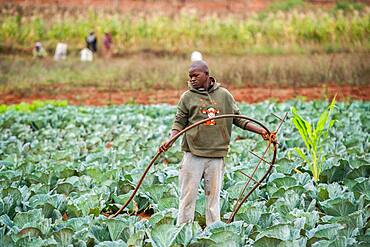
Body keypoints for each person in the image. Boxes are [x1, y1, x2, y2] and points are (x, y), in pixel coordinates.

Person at [159, 60, 269, 226]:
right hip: (193, 154)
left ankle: (214, 232)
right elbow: (179, 123)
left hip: (216, 154)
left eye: (196, 75)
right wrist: (170, 139)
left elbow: (239, 120)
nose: (192, 79)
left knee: (213, 198)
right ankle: (183, 230)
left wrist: (261, 131)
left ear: (207, 75)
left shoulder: (224, 95)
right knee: (188, 196)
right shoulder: (187, 97)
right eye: (190, 77)